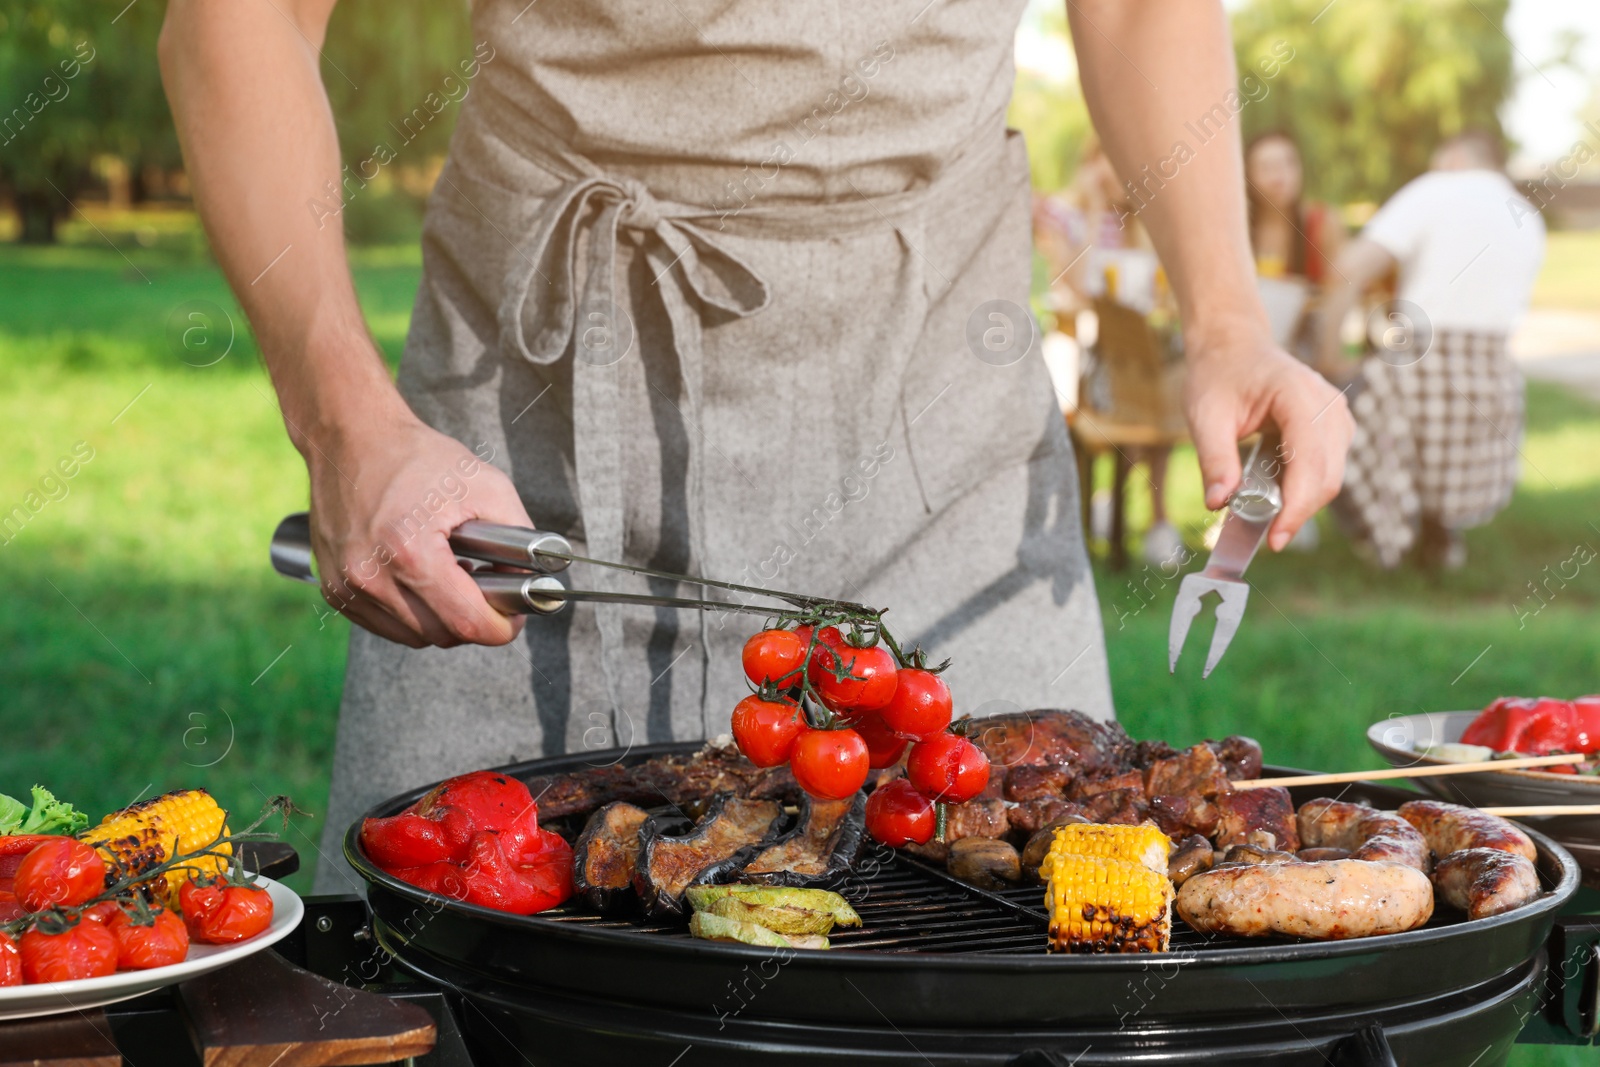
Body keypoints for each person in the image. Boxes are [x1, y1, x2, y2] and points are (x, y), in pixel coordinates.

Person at [159, 0, 1351, 891]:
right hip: (532, 415)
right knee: (443, 962)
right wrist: (345, 426)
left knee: (1014, 927)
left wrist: (1229, 321)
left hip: (938, 394)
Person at [1316, 130, 1544, 569]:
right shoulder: (1528, 215)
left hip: (1420, 358)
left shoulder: (1437, 189)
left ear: (1455, 156)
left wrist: (1328, 357)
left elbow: (1349, 268)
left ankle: (1373, 535)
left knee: (1330, 403)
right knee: (1436, 433)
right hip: (1493, 375)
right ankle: (1438, 535)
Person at [1034, 141, 1183, 568]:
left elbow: (1155, 294)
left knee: (1162, 389)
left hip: (1130, 351)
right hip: (1080, 347)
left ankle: (1157, 522)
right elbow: (1075, 288)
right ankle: (1115, 513)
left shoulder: (1137, 223)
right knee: (1139, 394)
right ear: (1093, 165)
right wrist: (1096, 210)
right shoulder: (1063, 217)